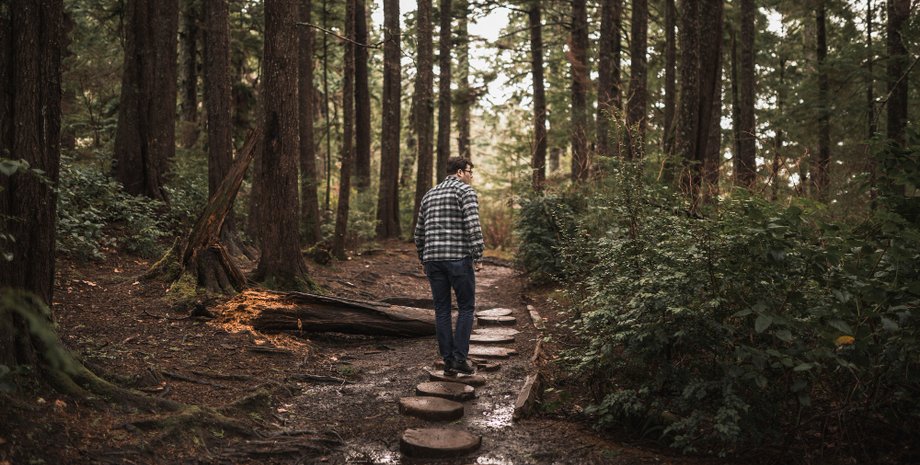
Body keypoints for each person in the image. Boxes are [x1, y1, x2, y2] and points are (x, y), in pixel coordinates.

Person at [414, 157, 485, 375]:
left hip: (433, 261)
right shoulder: (465, 192)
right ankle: (459, 359)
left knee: (442, 310)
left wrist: (424, 257)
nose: (471, 176)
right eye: (470, 172)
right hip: (458, 259)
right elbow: (472, 226)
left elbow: (419, 232)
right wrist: (478, 255)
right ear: (460, 172)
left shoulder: (429, 194)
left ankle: (447, 362)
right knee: (466, 308)